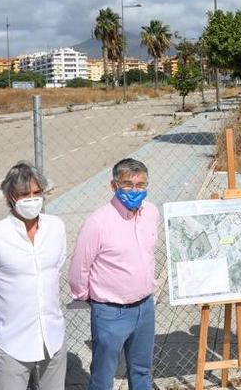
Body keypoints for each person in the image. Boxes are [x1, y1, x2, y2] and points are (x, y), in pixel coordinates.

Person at [0, 161, 67, 390]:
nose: (32, 199)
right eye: (24, 194)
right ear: (10, 196)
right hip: (13, 341)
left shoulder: (56, 227)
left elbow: (55, 266)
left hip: (53, 336)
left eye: (37, 192)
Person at [68, 158, 159, 390]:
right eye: (128, 184)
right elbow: (80, 267)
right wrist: (89, 296)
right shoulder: (98, 222)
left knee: (141, 372)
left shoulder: (151, 213)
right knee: (102, 378)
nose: (135, 190)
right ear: (114, 185)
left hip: (145, 308)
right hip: (110, 312)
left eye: (141, 185)